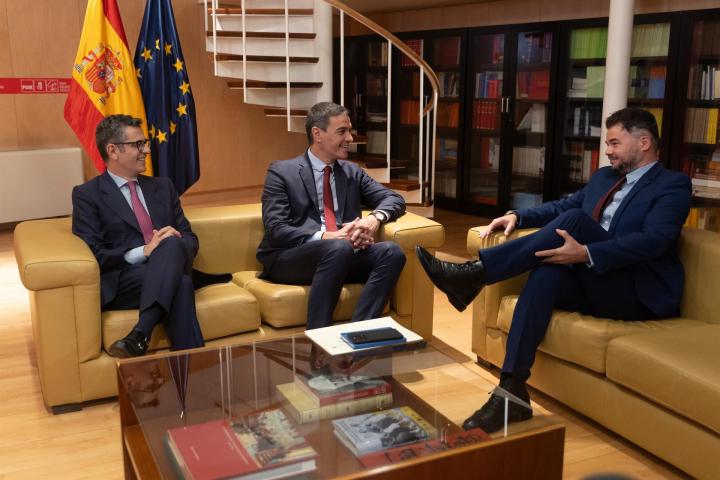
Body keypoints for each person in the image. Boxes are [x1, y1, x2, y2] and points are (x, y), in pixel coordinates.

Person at [416, 107, 691, 433]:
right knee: (547, 273)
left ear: (644, 142)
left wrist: (586, 252)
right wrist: (518, 216)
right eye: (608, 143)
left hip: (635, 291)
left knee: (576, 223)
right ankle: (511, 393)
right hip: (597, 281)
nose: (608, 150)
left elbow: (654, 241)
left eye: (615, 143)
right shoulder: (605, 177)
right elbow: (564, 206)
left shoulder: (672, 185)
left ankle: (474, 275)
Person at [72, 114, 227, 358]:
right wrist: (144, 251)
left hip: (167, 267)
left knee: (172, 243)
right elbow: (95, 253)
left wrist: (171, 242)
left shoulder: (163, 187)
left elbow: (190, 239)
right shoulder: (88, 195)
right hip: (124, 280)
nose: (146, 150)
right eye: (138, 144)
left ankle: (140, 334)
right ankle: (195, 369)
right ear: (113, 151)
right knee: (181, 282)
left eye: (144, 143)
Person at [257, 102, 406, 330]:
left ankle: (359, 332)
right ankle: (319, 338)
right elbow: (276, 228)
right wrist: (328, 236)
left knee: (392, 252)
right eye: (342, 131)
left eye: (349, 131)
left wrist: (373, 220)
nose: (350, 138)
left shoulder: (351, 172)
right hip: (292, 258)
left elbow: (394, 199)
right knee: (339, 247)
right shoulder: (282, 172)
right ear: (317, 134)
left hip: (343, 254)